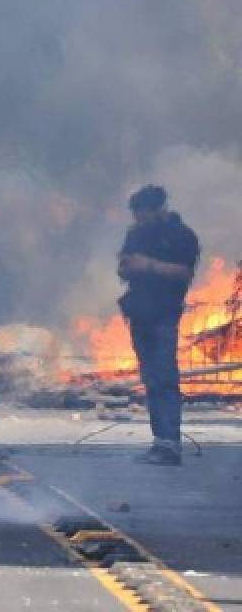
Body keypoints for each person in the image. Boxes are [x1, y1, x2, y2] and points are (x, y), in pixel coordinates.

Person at [117, 185, 199, 466]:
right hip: (140, 312)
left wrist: (148, 265)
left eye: (142, 213)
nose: (138, 219)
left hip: (164, 313)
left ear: (158, 209)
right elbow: (123, 266)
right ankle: (159, 442)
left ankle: (170, 443)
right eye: (135, 214)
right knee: (151, 380)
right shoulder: (135, 234)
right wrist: (128, 266)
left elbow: (184, 273)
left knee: (165, 378)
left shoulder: (181, 236)